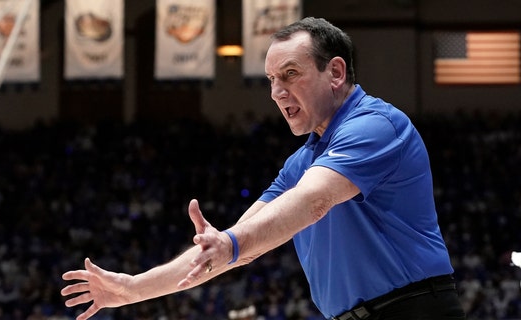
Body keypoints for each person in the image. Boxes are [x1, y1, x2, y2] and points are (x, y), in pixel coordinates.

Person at [60, 17, 466, 320]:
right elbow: (228, 250)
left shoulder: (376, 125)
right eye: (272, 79)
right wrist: (133, 288)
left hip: (414, 309)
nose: (277, 92)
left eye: (290, 74)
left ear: (336, 73)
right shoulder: (301, 163)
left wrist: (232, 244)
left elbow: (315, 200)